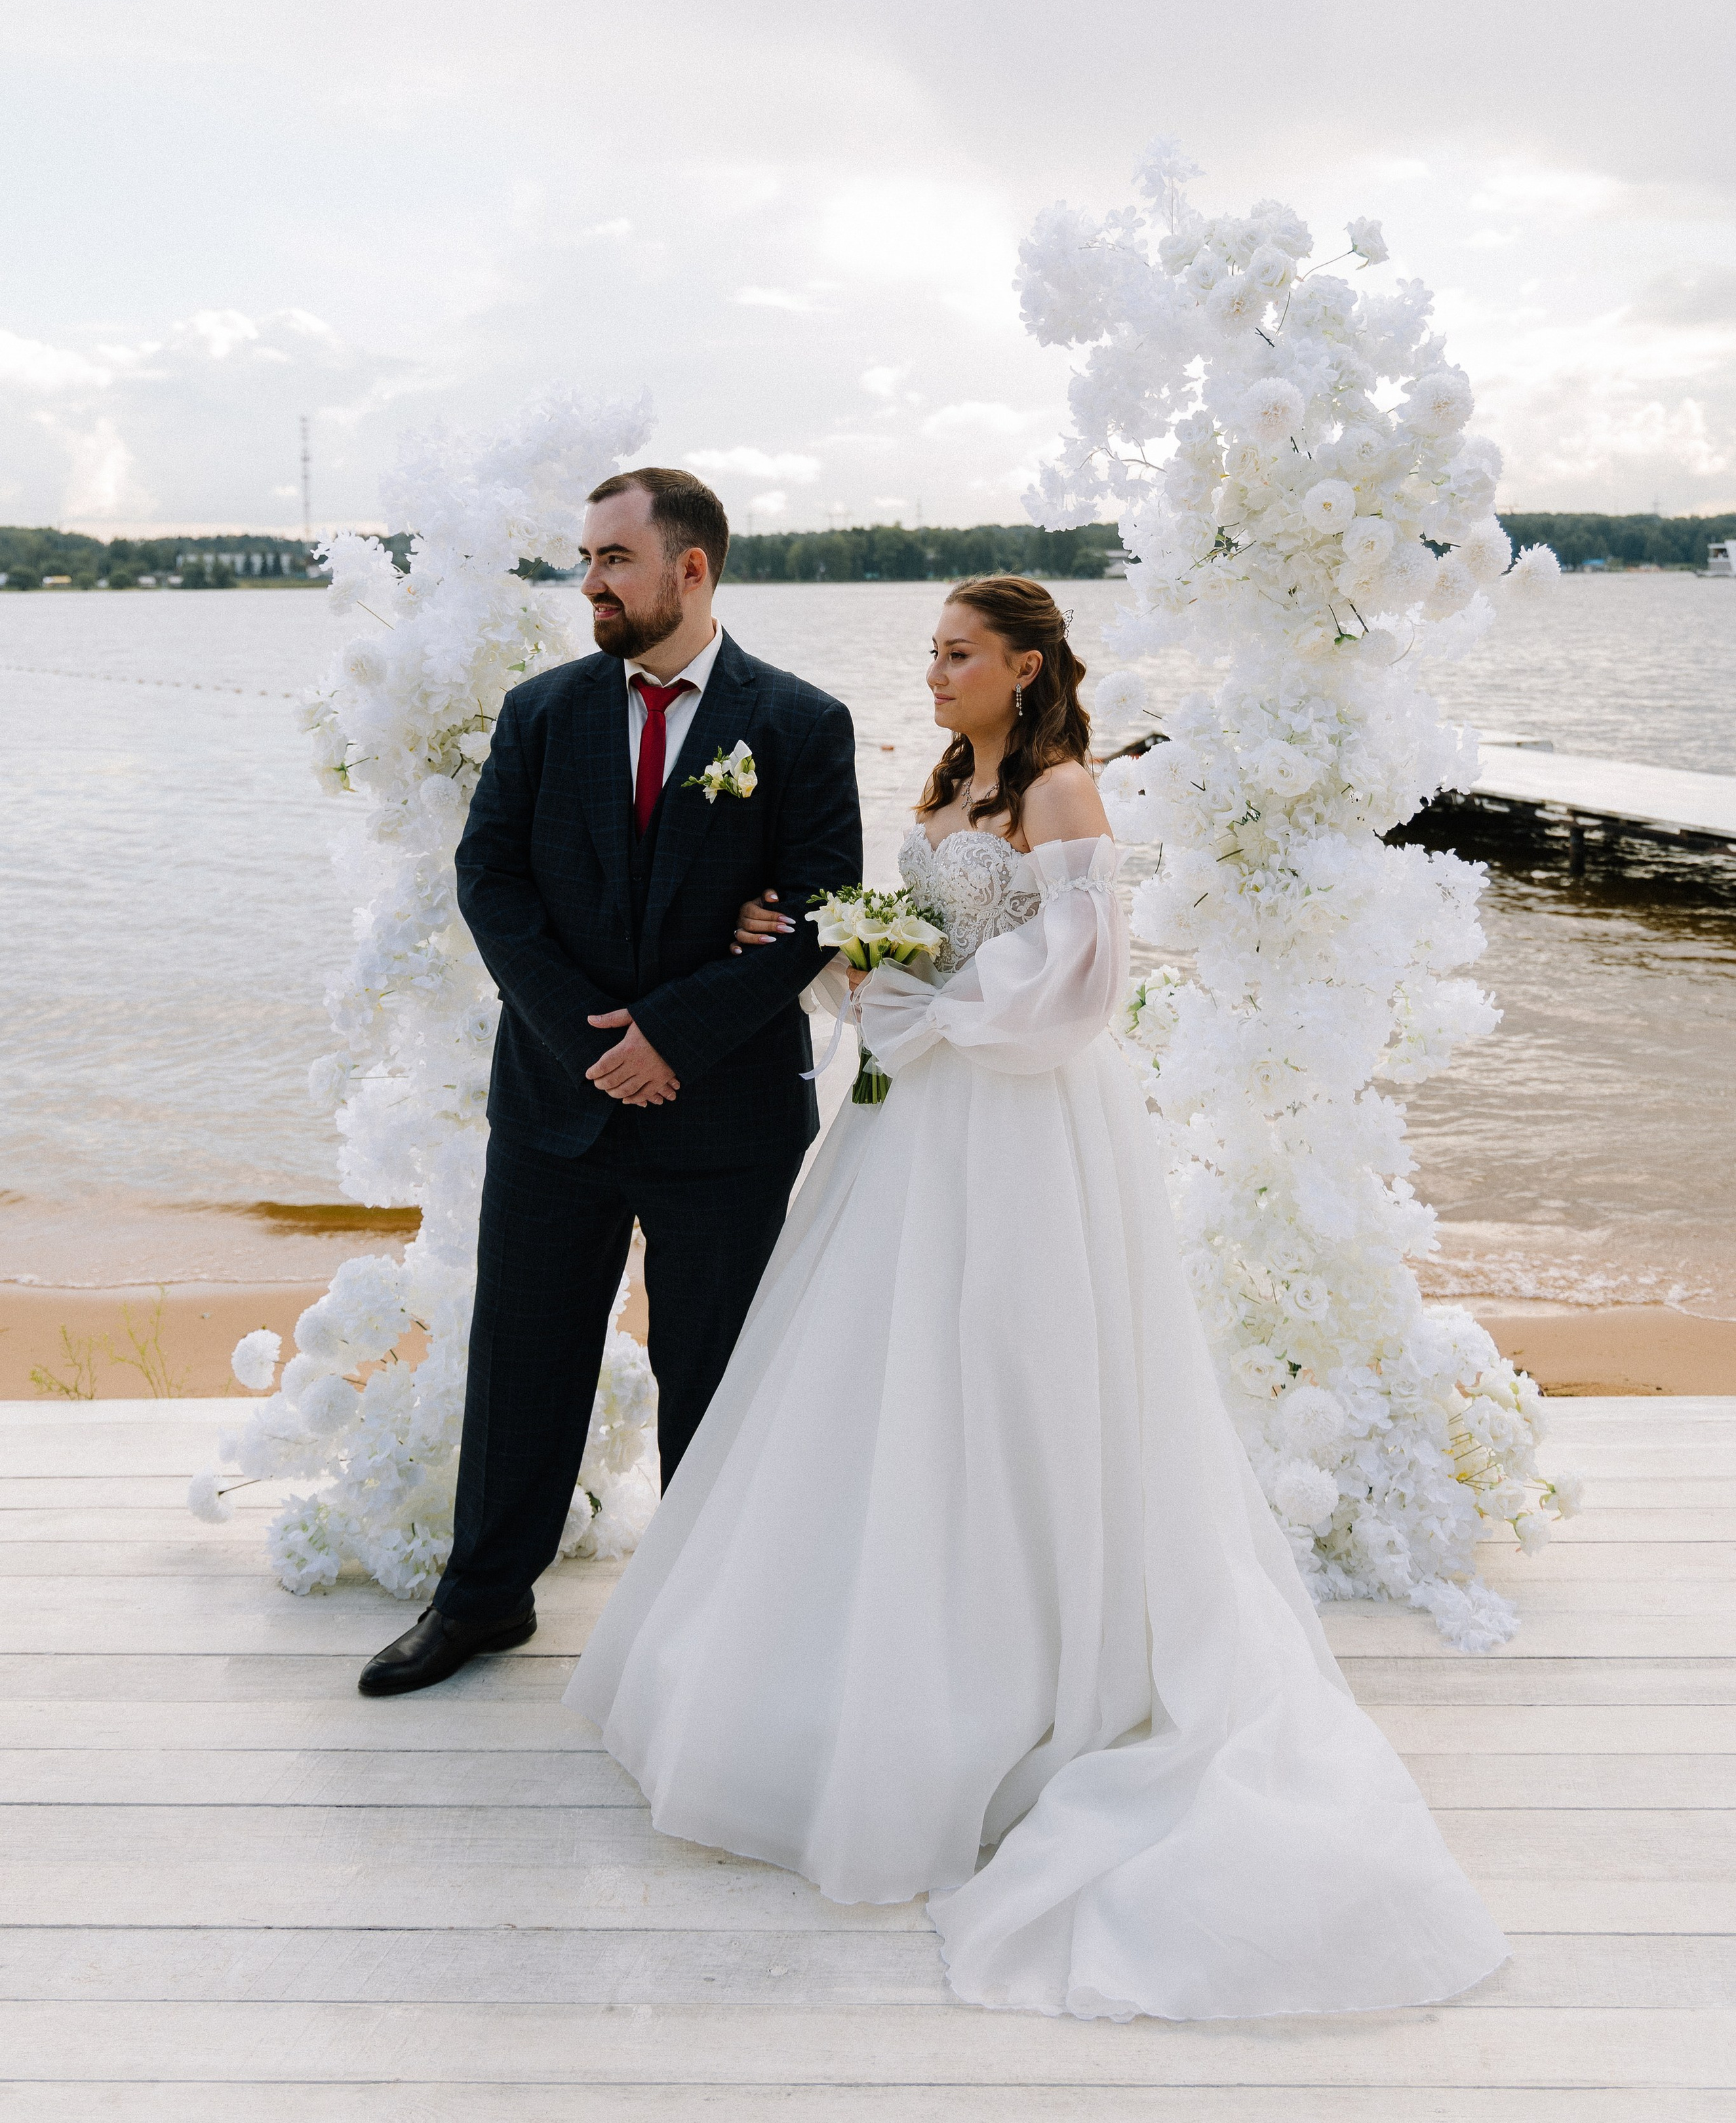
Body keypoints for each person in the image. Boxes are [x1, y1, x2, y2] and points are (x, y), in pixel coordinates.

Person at [566, 574, 1507, 2021]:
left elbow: (1077, 988)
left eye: (956, 654)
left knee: (1009, 1361)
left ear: (1022, 666)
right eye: (929, 652)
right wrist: (837, 952)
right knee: (878, 1376)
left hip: (1014, 1125)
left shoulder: (1064, 792)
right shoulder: (955, 785)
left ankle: (1021, 1671)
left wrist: (931, 1000)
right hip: (912, 1120)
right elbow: (925, 952)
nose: (931, 673)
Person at [357, 467, 863, 1697]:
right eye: (585, 559)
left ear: (691, 570)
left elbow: (821, 909)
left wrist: (674, 1036)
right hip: (552, 1105)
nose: (589, 582)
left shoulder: (800, 722)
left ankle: (713, 1618)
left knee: (715, 1374)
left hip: (726, 1115)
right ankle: (482, 1602)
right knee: (524, 1359)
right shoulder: (542, 715)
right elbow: (491, 881)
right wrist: (594, 1043)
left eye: (613, 560)